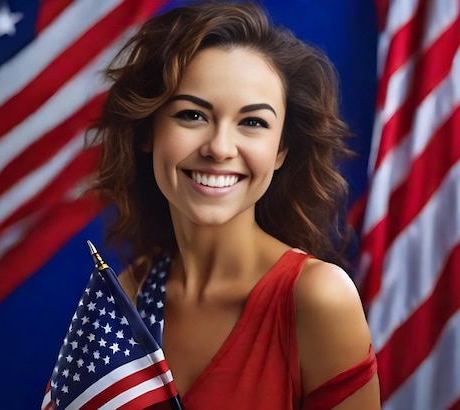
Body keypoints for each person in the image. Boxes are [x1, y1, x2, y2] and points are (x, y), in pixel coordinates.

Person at [91, 1, 380, 408]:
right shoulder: (130, 291)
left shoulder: (317, 299)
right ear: (147, 131)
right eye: (192, 115)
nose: (220, 148)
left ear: (281, 150)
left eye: (253, 122)